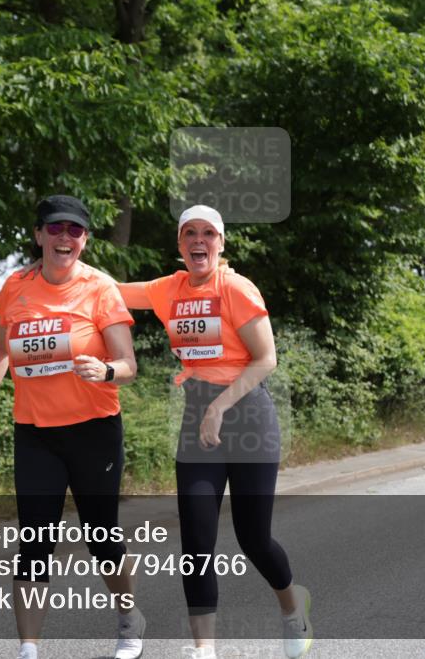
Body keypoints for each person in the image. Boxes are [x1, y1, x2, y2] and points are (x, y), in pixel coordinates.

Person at [119, 205, 312, 659]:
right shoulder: (170, 289)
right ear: (180, 243)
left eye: (208, 233)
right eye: (190, 233)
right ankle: (204, 649)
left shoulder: (236, 288)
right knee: (197, 540)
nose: (198, 240)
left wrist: (220, 407)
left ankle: (292, 606)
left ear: (221, 243)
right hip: (197, 420)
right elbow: (112, 291)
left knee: (253, 539)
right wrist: (60, 260)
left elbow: (266, 358)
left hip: (247, 417)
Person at [0, 195, 145, 659]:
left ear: (84, 240)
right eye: (55, 229)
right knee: (34, 539)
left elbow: (129, 364)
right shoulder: (16, 288)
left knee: (101, 537)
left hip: (94, 431)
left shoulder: (100, 289)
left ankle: (129, 618)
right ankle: (29, 649)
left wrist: (105, 371)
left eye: (74, 231)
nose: (64, 237)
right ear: (38, 235)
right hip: (36, 434)